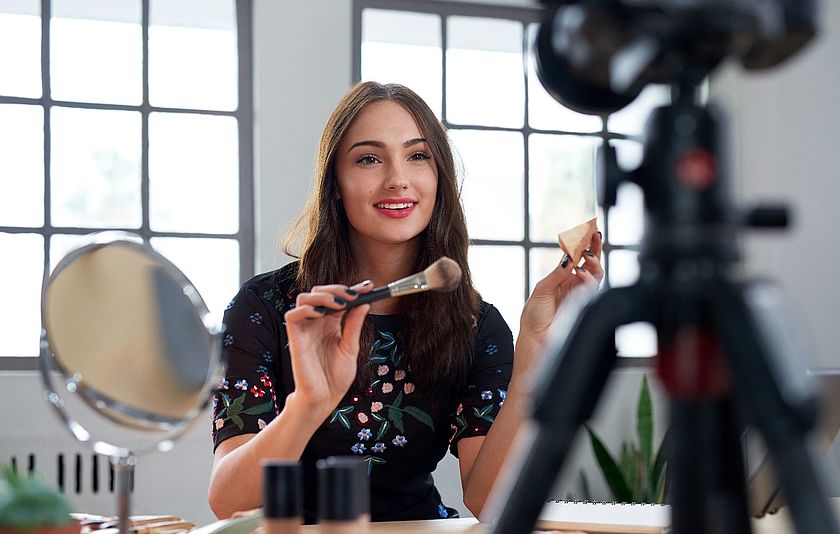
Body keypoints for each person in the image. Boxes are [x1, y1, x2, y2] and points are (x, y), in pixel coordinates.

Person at [207, 81, 604, 523]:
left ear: (440, 177)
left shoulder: (476, 325)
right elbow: (229, 503)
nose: (397, 179)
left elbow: (491, 503)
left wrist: (536, 350)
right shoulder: (264, 308)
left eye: (418, 156)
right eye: (369, 158)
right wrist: (309, 403)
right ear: (334, 183)